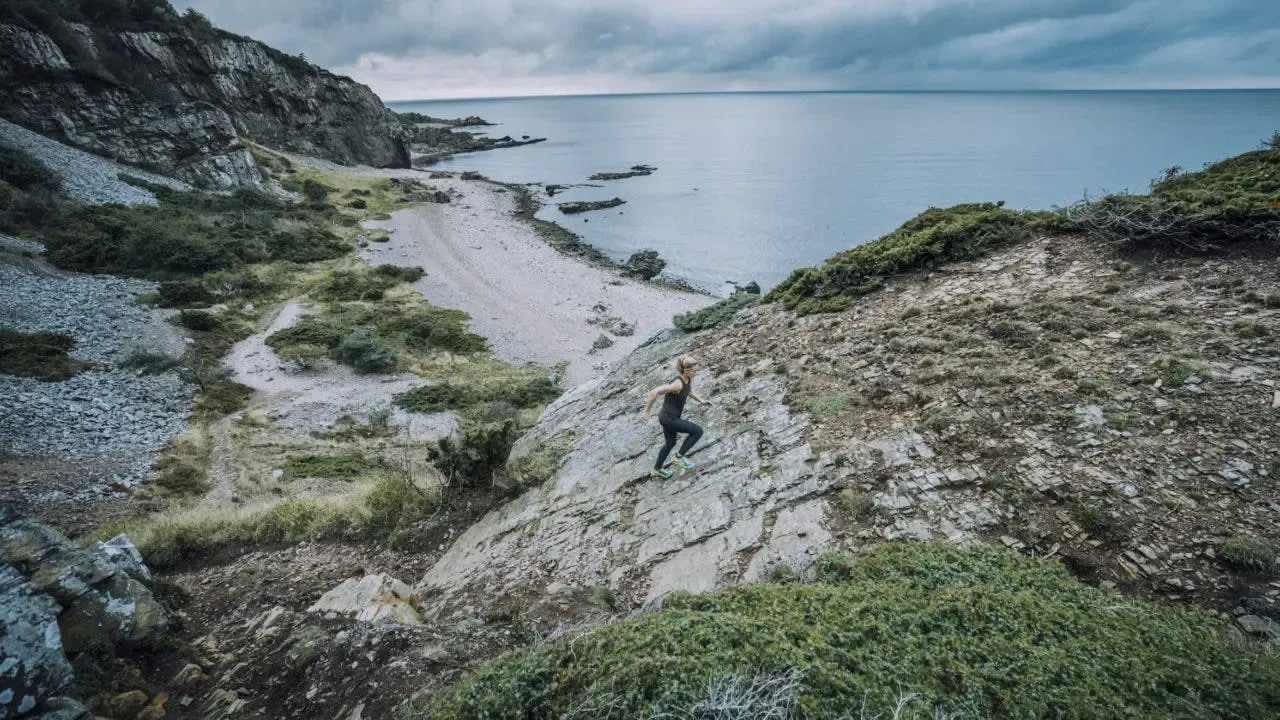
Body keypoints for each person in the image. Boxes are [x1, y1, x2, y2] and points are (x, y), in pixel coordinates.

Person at [641, 355, 711, 479]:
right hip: (669, 419)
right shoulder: (677, 384)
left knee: (670, 443)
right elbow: (654, 392)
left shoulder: (687, 380)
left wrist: (701, 400)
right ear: (687, 371)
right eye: (695, 371)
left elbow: (688, 391)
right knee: (697, 431)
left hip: (666, 417)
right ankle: (678, 457)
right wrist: (647, 412)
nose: (696, 373)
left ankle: (656, 469)